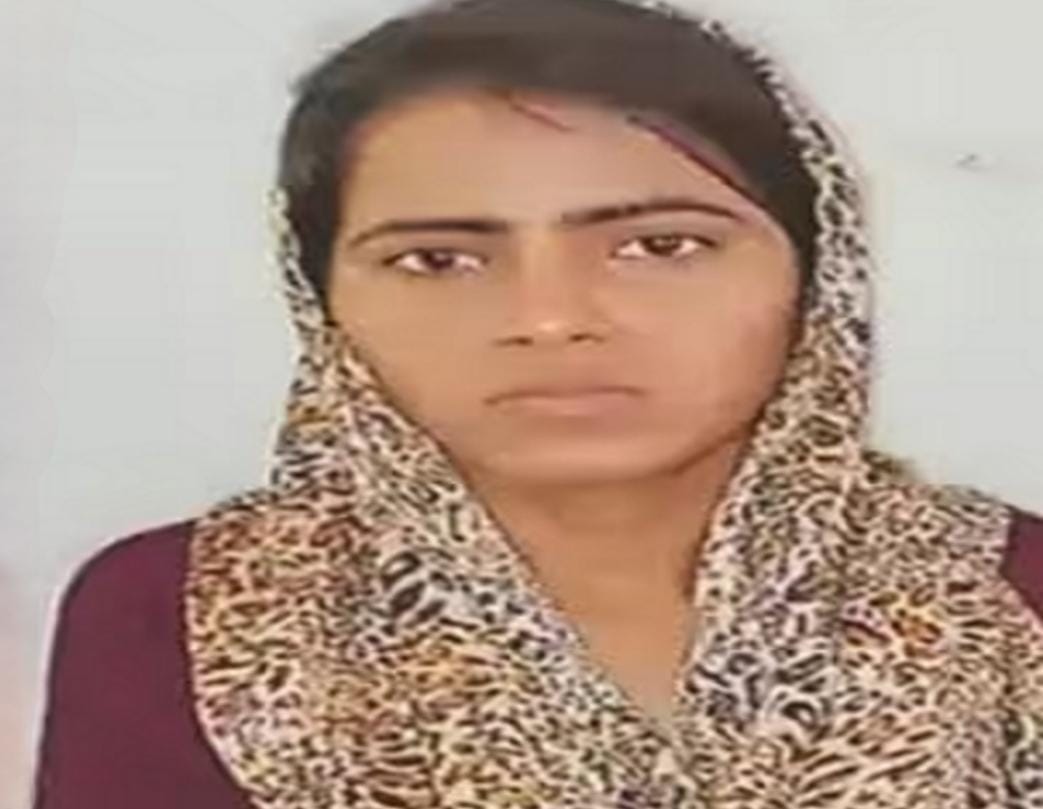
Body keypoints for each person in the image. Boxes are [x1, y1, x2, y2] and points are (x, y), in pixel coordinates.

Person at [31, 0, 1043, 806]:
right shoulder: (181, 613)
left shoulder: (1005, 596)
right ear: (322, 299)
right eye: (438, 259)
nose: (550, 319)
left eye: (659, 245)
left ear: (818, 276)